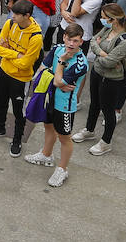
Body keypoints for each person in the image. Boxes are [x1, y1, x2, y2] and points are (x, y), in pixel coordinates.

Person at [0, 0, 44, 157]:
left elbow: (25, 63)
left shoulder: (36, 37)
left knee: (18, 111)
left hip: (21, 79)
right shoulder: (10, 24)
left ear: (26, 16)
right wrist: (16, 54)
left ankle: (17, 140)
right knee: (0, 102)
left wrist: (8, 52)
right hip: (3, 71)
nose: (12, 16)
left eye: (16, 14)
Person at [23, 31, 90, 187]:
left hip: (65, 106)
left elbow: (58, 82)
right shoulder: (57, 47)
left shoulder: (81, 63)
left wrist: (60, 62)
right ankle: (46, 154)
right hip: (50, 99)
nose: (71, 44)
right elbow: (43, 67)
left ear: (81, 42)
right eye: (69, 39)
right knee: (48, 126)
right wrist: (55, 79)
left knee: (64, 137)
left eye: (76, 41)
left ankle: (62, 169)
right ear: (64, 37)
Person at [73, 7, 126, 154]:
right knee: (94, 103)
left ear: (113, 20)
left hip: (111, 79)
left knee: (108, 110)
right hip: (96, 72)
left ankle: (106, 141)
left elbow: (108, 62)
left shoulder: (125, 41)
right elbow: (94, 41)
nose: (101, 20)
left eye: (103, 17)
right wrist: (102, 53)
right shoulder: (108, 29)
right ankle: (89, 130)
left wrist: (101, 55)